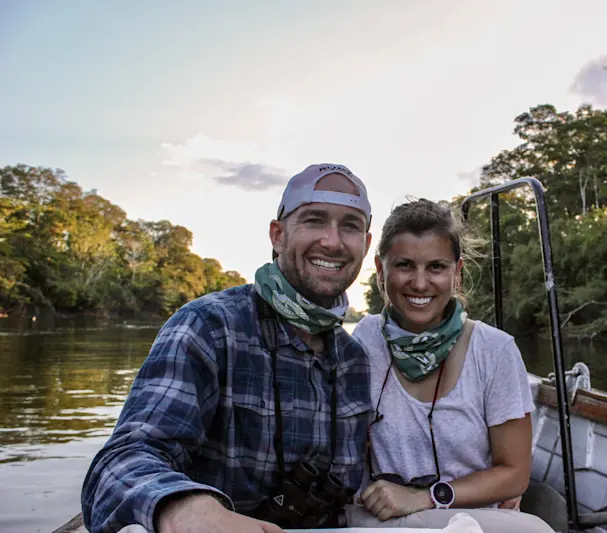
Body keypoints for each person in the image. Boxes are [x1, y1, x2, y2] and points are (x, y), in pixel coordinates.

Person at [80, 164, 374, 533]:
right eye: (314, 220)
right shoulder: (209, 326)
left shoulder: (354, 360)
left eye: (350, 225)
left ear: (366, 244)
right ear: (278, 235)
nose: (332, 241)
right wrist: (183, 508)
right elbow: (121, 462)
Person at [345, 198, 555, 533]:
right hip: (379, 521)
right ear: (381, 271)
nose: (419, 283)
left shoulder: (494, 350)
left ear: (456, 272)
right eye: (404, 265)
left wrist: (426, 497)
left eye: (436, 267)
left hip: (469, 520)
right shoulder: (365, 339)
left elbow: (515, 474)